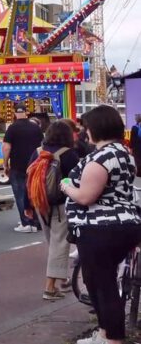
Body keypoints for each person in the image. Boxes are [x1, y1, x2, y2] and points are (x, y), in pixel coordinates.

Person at [62, 105, 141, 344]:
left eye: (87, 128)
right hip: (124, 223)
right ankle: (106, 333)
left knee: (101, 284)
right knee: (99, 280)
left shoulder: (102, 157)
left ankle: (111, 337)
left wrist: (66, 185)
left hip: (100, 227)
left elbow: (86, 196)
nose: (85, 133)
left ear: (95, 129)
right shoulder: (123, 153)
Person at [27, 120, 80, 300]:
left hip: (40, 202)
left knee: (52, 243)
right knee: (60, 243)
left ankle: (62, 279)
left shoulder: (37, 152)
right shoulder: (68, 154)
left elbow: (30, 180)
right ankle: (50, 287)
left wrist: (28, 206)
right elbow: (75, 181)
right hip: (60, 204)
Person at [3, 105, 44, 233]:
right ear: (26, 113)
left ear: (15, 113)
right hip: (34, 165)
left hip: (18, 165)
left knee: (20, 194)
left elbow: (6, 147)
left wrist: (5, 164)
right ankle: (37, 222)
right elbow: (42, 146)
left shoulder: (12, 128)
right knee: (34, 193)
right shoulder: (35, 128)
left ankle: (26, 222)